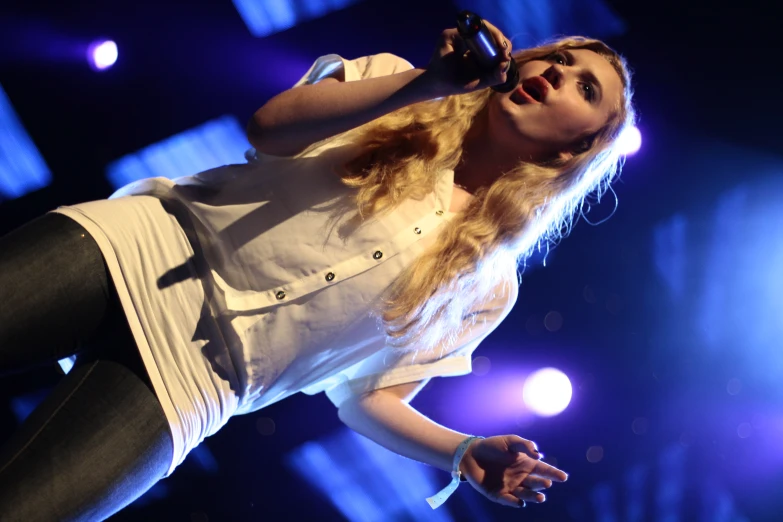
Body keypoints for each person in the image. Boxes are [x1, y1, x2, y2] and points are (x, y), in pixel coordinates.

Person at [0, 15, 635, 520]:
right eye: (558, 57)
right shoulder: (398, 84)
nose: (556, 73)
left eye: (584, 87)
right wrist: (428, 84)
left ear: (577, 146)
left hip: (194, 386)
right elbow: (270, 128)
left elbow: (367, 398)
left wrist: (460, 449)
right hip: (138, 250)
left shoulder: (487, 283)